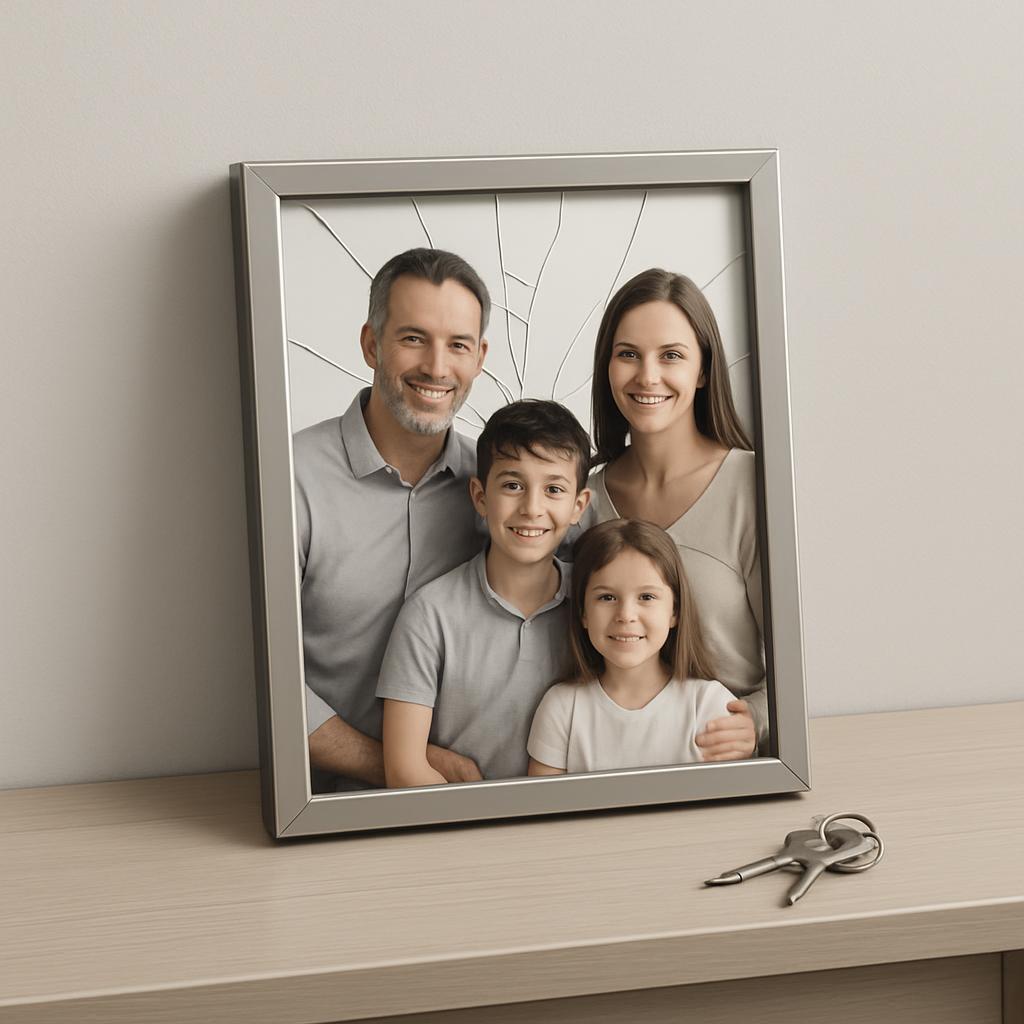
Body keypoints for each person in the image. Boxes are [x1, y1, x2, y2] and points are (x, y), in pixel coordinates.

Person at [294, 248, 491, 791]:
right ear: (371, 344)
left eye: (458, 344)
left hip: (470, 798)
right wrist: (396, 765)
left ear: (480, 357)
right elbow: (258, 677)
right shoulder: (290, 478)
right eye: (413, 338)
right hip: (316, 806)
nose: (437, 367)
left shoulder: (498, 491)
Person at [586, 268, 767, 753]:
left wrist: (758, 720)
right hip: (612, 761)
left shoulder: (752, 485)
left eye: (671, 355)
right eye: (628, 354)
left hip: (721, 764)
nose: (647, 376)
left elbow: (802, 660)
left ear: (703, 370)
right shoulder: (582, 500)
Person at [376, 400, 592, 785]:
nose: (532, 508)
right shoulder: (430, 614)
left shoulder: (596, 602)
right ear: (480, 497)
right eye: (512, 485)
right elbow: (404, 768)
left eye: (553, 489)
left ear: (578, 506)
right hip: (458, 815)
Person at [527, 519, 740, 775]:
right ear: (583, 613)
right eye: (607, 597)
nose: (626, 615)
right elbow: (544, 800)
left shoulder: (709, 705)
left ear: (674, 611)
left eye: (646, 597)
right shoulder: (562, 708)